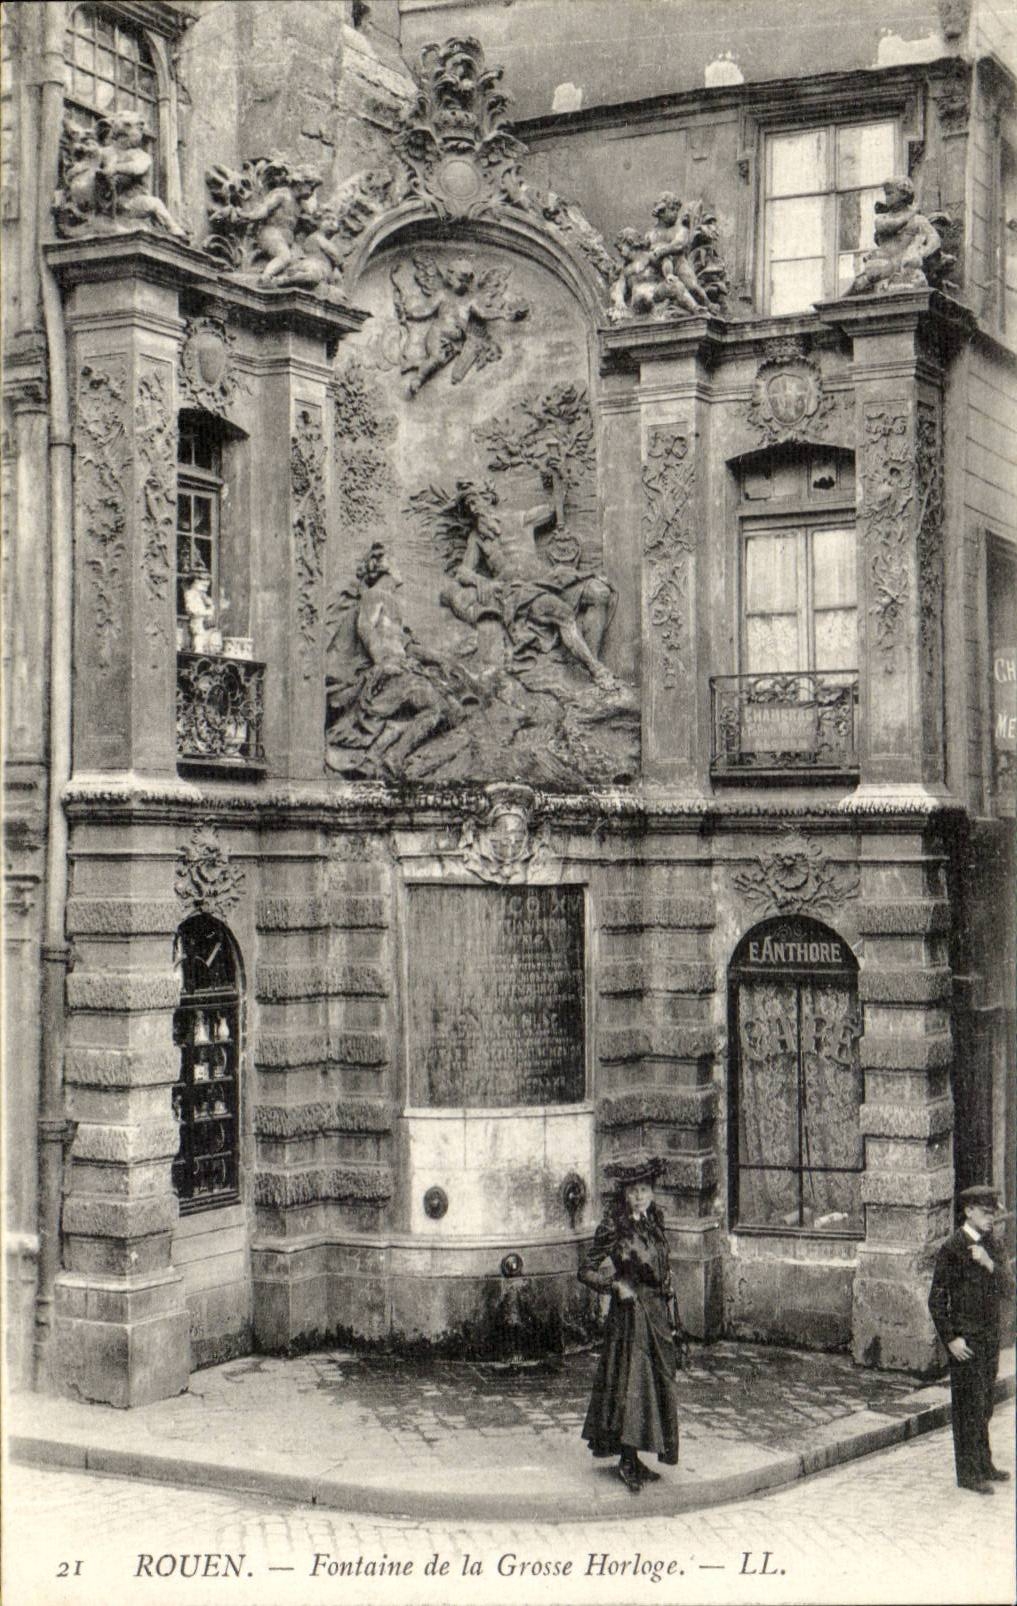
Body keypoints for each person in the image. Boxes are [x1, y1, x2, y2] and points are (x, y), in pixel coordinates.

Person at [578, 1152, 683, 1493]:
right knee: (632, 1384)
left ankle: (637, 1457)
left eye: (644, 1189)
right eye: (633, 1190)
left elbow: (663, 1266)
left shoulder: (655, 1221)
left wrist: (670, 1296)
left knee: (657, 1382)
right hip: (631, 1315)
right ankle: (626, 1459)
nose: (639, 1196)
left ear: (652, 1191)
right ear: (624, 1193)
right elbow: (585, 1270)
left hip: (657, 1312)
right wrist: (614, 1285)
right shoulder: (614, 1227)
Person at [928, 1183, 1014, 1494]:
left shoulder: (993, 1245)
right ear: (968, 1211)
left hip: (989, 1339)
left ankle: (984, 1463)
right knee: (968, 1407)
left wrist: (989, 1263)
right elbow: (936, 1300)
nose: (991, 1218)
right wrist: (951, 1339)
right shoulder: (952, 1248)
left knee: (985, 1404)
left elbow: (1010, 1289)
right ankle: (968, 1474)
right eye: (986, 1213)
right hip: (965, 1342)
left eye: (993, 1213)